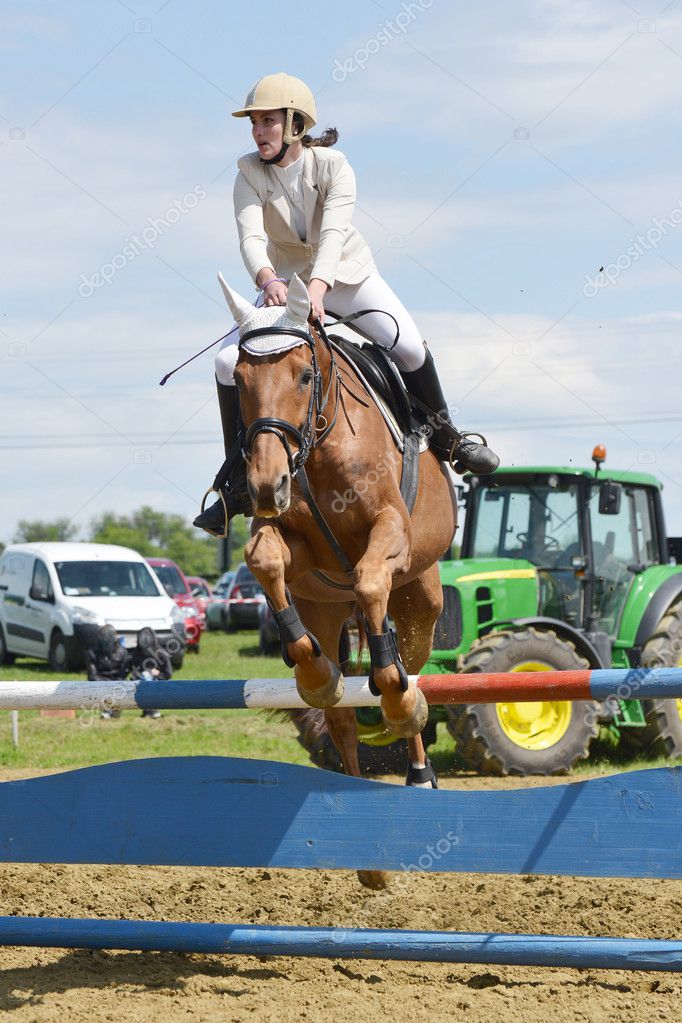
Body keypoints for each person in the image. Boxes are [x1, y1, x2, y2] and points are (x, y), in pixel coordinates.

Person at [194, 72, 499, 538]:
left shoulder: (335, 167)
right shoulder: (247, 174)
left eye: (267, 121)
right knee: (223, 362)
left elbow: (334, 235)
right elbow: (251, 238)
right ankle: (236, 483)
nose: (257, 131)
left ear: (295, 124)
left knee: (409, 347)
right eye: (254, 122)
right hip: (283, 286)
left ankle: (449, 440)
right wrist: (267, 279)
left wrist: (318, 288)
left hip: (346, 276)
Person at [84, 624, 129, 719]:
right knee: (100, 685)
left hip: (117, 682)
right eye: (105, 640)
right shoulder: (92, 652)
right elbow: (92, 676)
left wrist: (116, 683)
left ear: (115, 638)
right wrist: (108, 684)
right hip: (100, 681)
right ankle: (107, 710)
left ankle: (115, 709)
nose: (108, 642)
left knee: (121, 685)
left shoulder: (123, 652)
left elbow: (123, 675)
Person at [129, 627, 172, 719]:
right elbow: (130, 671)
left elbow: (168, 674)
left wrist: (158, 674)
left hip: (158, 684)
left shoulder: (161, 654)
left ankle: (153, 711)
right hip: (140, 684)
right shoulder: (136, 654)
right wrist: (137, 675)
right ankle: (148, 711)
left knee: (150, 682)